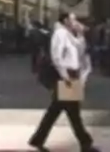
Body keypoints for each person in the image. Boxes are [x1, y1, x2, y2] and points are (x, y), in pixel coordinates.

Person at [28, 13, 99, 152]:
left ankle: (38, 139)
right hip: (66, 75)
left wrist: (80, 34)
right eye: (73, 20)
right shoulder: (60, 33)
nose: (76, 22)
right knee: (73, 112)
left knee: (57, 110)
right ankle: (85, 143)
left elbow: (80, 49)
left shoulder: (69, 35)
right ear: (65, 21)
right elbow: (57, 57)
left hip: (72, 75)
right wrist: (65, 76)